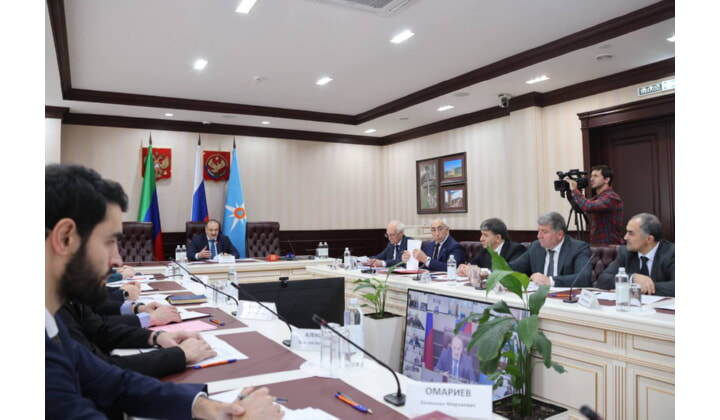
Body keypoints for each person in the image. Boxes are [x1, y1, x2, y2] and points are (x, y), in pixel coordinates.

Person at [45, 164, 283, 419]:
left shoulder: (52, 321)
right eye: (109, 242)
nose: (117, 260)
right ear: (66, 237)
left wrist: (211, 408)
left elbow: (112, 381)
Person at [57, 300, 216, 378]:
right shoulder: (53, 311)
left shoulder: (65, 297)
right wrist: (180, 355)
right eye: (108, 246)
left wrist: (156, 337)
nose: (117, 260)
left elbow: (99, 330)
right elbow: (99, 370)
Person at [596, 213, 674, 296]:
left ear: (649, 239)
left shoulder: (671, 253)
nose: (625, 237)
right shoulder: (626, 252)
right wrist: (633, 278)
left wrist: (635, 289)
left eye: (631, 233)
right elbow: (602, 280)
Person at [509, 212, 592, 287]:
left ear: (559, 234)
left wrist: (550, 281)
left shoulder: (578, 248)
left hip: (566, 296)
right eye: (538, 231)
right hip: (538, 295)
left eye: (544, 232)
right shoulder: (535, 247)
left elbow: (584, 278)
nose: (539, 236)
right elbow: (513, 267)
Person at [566, 164, 624, 244]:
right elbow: (580, 207)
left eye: (596, 176)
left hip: (610, 247)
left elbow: (588, 206)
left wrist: (574, 190)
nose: (591, 179)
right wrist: (570, 192)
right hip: (600, 245)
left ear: (606, 180)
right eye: (591, 176)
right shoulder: (598, 198)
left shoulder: (611, 197)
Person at [457, 218, 527, 276]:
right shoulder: (484, 250)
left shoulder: (516, 250)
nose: (481, 239)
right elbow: (474, 264)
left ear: (498, 238)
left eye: (485, 235)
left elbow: (509, 272)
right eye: (481, 234)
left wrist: (484, 272)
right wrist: (465, 268)